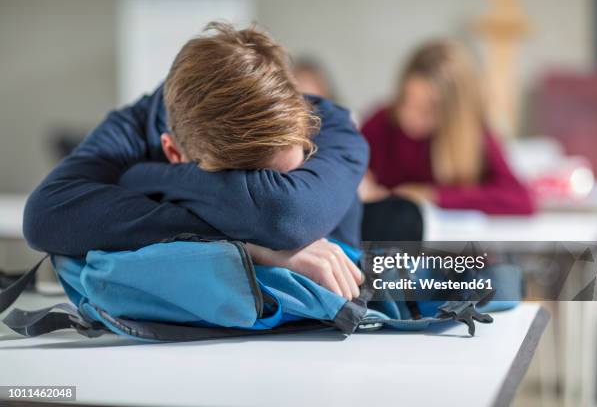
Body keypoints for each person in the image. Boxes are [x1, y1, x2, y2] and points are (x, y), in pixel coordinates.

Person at [23, 22, 367, 300]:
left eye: (288, 176)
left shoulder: (329, 123)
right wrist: (250, 248)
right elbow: (44, 217)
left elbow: (284, 215)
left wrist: (146, 178)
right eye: (243, 182)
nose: (264, 192)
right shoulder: (134, 128)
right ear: (175, 152)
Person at [359, 40, 535, 241]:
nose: (410, 116)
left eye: (427, 109)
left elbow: (521, 200)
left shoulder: (475, 136)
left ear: (454, 113)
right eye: (406, 101)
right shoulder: (381, 121)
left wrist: (431, 195)